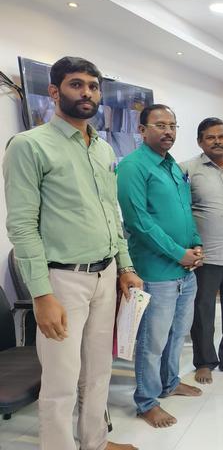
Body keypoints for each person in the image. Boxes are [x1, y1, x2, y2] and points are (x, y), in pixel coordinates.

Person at [3, 56, 140, 450]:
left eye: (93, 86)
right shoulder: (29, 145)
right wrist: (41, 294)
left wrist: (125, 266)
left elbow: (111, 214)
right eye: (76, 84)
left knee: (98, 372)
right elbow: (22, 226)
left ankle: (95, 442)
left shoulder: (102, 149)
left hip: (106, 274)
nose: (87, 93)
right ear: (54, 91)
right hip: (62, 280)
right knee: (61, 381)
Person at [117, 104, 204, 428]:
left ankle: (169, 383)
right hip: (155, 272)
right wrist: (179, 253)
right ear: (142, 130)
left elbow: (185, 211)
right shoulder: (132, 166)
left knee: (177, 334)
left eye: (172, 125)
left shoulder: (172, 166)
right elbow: (138, 222)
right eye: (160, 125)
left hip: (185, 271)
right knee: (152, 342)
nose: (168, 131)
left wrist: (196, 244)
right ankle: (146, 401)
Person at [180, 117, 223, 384]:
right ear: (200, 141)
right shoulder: (186, 169)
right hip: (205, 256)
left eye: (222, 136)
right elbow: (181, 210)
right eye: (210, 137)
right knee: (203, 311)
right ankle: (204, 361)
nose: (217, 142)